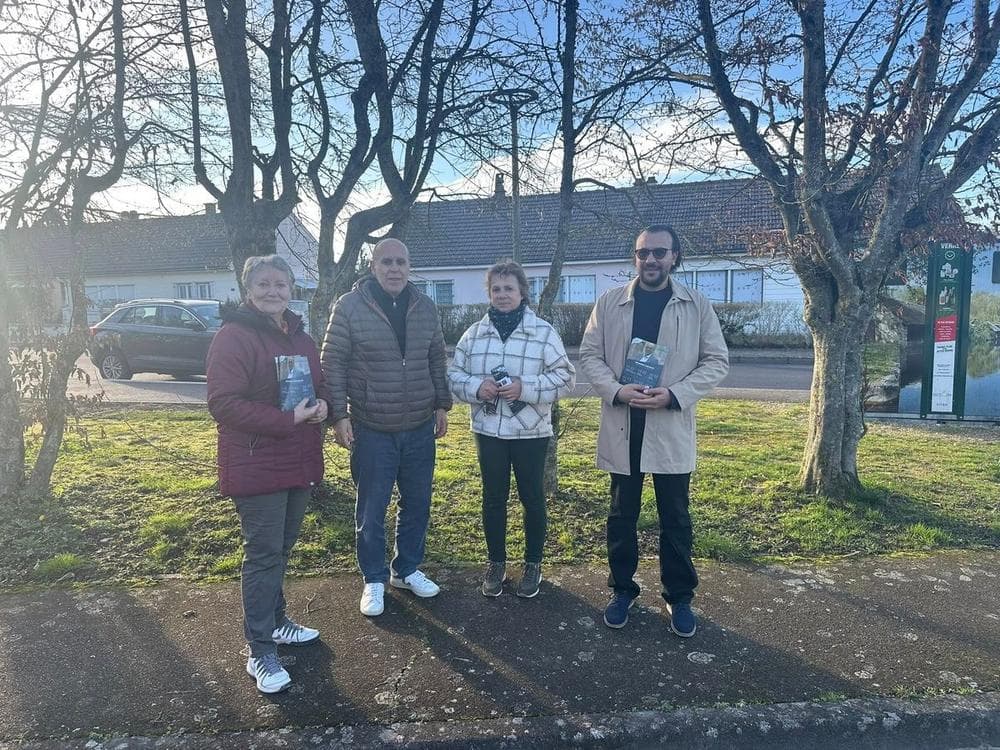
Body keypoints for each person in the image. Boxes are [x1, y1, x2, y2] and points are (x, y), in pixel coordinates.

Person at [579, 225, 728, 637]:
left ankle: (679, 597)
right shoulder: (610, 303)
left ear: (675, 257)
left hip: (669, 425)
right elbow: (589, 355)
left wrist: (675, 394)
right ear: (635, 258)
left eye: (660, 252)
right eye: (643, 253)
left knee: (675, 517)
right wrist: (616, 390)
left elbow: (716, 361)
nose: (651, 260)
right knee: (621, 515)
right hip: (624, 424)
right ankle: (622, 590)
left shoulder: (695, 305)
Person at [206, 254, 328, 694]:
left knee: (280, 548)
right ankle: (259, 651)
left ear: (291, 289)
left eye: (280, 284)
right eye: (264, 285)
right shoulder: (233, 337)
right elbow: (223, 403)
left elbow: (321, 383)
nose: (273, 291)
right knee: (262, 554)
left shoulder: (302, 338)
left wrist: (326, 406)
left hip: (298, 458)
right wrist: (288, 420)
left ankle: (277, 623)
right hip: (257, 460)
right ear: (248, 290)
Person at [320, 238, 452, 617]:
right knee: (371, 509)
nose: (394, 269)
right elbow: (334, 362)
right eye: (386, 262)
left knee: (418, 504)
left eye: (401, 262)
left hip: (419, 427)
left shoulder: (425, 307)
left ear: (410, 267)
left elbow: (436, 358)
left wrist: (442, 404)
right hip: (372, 426)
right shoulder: (349, 306)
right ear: (373, 265)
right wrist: (339, 415)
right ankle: (374, 578)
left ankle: (406, 569)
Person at [447, 261, 576, 598]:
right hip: (488, 431)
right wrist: (477, 387)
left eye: (509, 289)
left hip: (531, 433)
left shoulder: (543, 332)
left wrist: (525, 387)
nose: (503, 295)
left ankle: (533, 563)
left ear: (522, 292)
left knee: (532, 498)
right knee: (493, 499)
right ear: (489, 293)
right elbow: (453, 376)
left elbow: (566, 377)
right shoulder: (474, 334)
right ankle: (496, 563)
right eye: (496, 289)